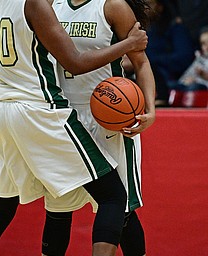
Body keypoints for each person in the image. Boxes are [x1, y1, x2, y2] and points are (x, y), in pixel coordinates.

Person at [0, 0, 148, 255]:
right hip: (41, 111)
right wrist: (129, 44)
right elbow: (74, 62)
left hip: (7, 110)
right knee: (113, 197)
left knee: (3, 208)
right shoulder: (38, 4)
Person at [43, 0, 156, 255]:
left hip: (109, 117)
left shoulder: (112, 6)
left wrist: (151, 110)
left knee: (122, 210)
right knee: (58, 209)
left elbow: (141, 62)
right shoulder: (51, 5)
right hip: (66, 117)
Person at [145, 0, 194, 107]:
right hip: (146, 78)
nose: (144, 8)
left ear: (160, 6)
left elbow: (183, 59)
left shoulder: (176, 28)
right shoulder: (142, 29)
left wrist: (149, 60)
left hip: (170, 80)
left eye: (148, 4)